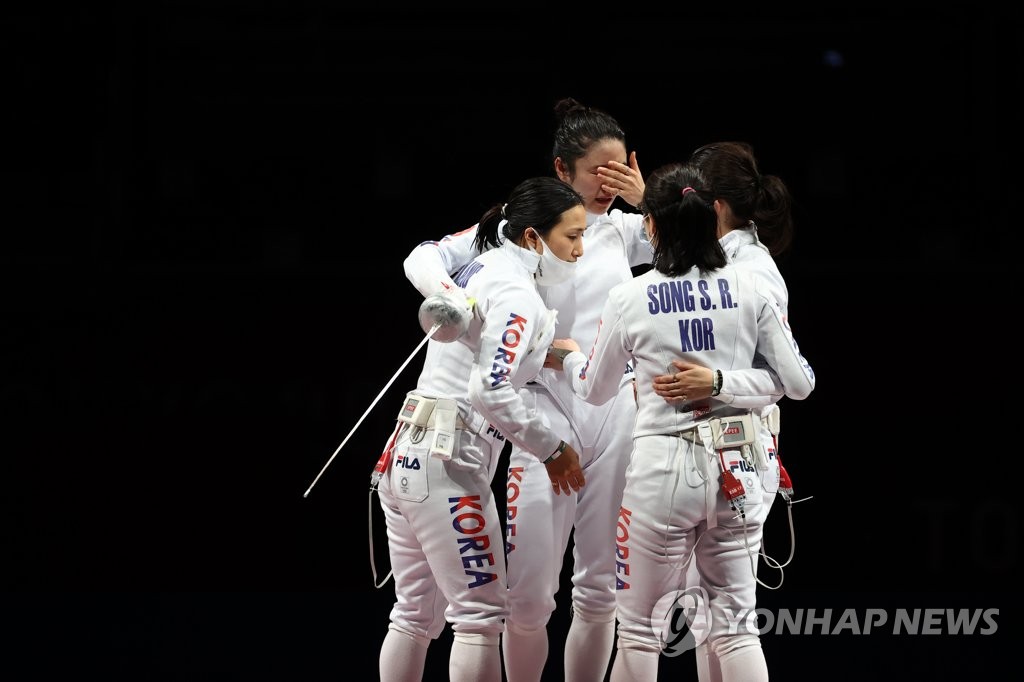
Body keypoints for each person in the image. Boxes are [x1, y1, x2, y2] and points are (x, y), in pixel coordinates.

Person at [402, 97, 652, 681]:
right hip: (544, 408)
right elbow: (423, 255)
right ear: (562, 170)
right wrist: (455, 299)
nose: (609, 184)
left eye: (621, 171)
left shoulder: (628, 230)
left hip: (614, 414)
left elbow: (717, 239)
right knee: (532, 597)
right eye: (598, 171)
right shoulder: (520, 226)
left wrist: (650, 200)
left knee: (598, 590)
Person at [553, 154, 815, 681]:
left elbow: (595, 390)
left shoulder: (631, 296)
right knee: (735, 627)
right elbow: (799, 384)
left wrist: (570, 355)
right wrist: (723, 382)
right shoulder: (751, 286)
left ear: (652, 228)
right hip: (741, 468)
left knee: (641, 631)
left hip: (663, 474)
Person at [374, 177, 589, 682]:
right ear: (534, 238)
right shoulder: (517, 292)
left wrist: (554, 354)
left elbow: (493, 355)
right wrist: (552, 448)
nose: (580, 250)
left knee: (414, 614)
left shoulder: (484, 264)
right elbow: (489, 390)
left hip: (406, 454)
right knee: (478, 618)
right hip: (448, 464)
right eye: (571, 237)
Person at [649, 141, 797, 682]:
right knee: (709, 618)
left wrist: (715, 381)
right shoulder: (728, 260)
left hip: (736, 451)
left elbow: (788, 380)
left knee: (728, 621)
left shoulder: (752, 272)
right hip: (716, 452)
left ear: (710, 208)